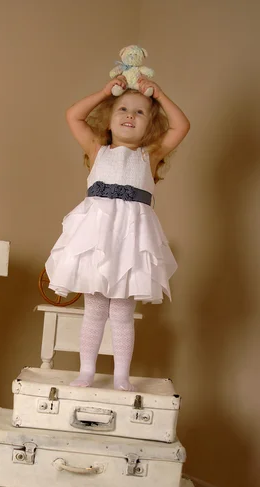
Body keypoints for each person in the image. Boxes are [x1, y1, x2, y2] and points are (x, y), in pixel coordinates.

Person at [45, 75, 190, 391]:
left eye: (140, 113)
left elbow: (181, 126)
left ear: (149, 127)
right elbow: (74, 115)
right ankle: (87, 371)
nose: (130, 115)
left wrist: (160, 95)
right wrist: (103, 92)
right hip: (98, 241)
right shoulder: (98, 150)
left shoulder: (148, 155)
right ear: (108, 121)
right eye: (123, 109)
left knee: (123, 312)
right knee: (95, 309)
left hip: (131, 243)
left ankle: (122, 375)